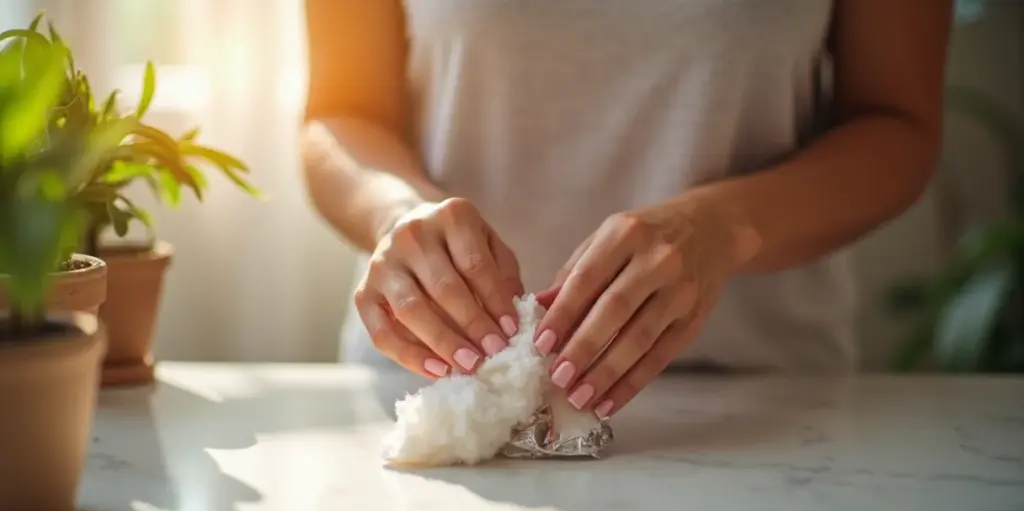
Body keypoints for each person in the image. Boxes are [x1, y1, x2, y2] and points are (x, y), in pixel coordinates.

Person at [300, 0, 953, 419]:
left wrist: (722, 226)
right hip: (434, 391)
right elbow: (341, 111)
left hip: (760, 404)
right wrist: (396, 213)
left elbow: (897, 126)